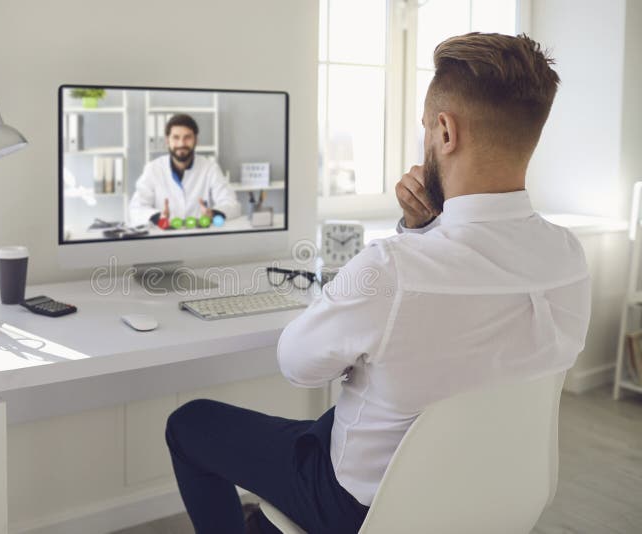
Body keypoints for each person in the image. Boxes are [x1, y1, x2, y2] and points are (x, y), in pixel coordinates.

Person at [165, 33, 591, 534]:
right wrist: (422, 231)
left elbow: (297, 364)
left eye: (426, 130)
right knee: (319, 433)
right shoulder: (569, 258)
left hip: (366, 510)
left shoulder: (392, 267)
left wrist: (407, 245)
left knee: (189, 423)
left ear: (446, 132)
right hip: (490, 499)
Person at [128, 113, 241, 226]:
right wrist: (158, 217)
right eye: (176, 137)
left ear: (196, 140)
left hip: (201, 237)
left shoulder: (210, 168)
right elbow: (136, 208)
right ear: (167, 140)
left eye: (187, 137)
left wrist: (212, 213)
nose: (181, 144)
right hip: (163, 238)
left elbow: (232, 204)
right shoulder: (153, 169)